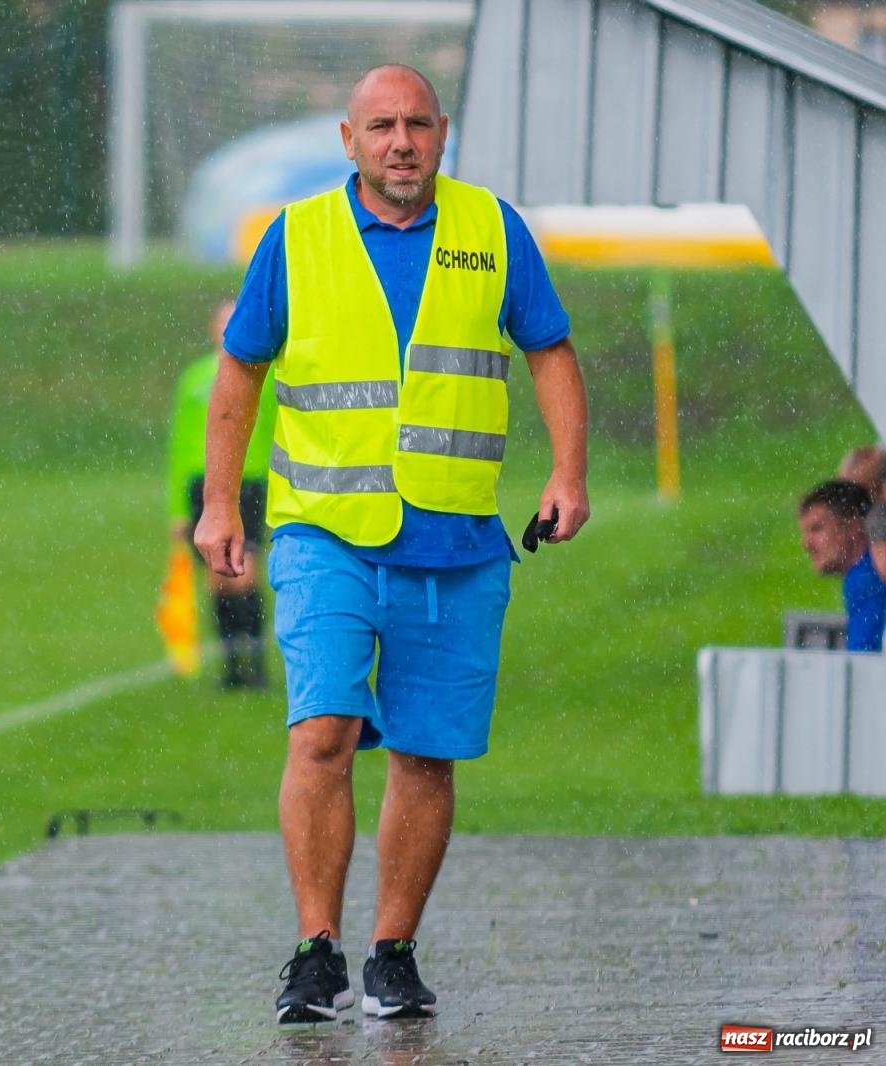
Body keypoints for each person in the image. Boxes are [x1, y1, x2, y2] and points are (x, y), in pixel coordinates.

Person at [193, 64, 589, 1024]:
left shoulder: (494, 231)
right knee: (322, 731)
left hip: (456, 541)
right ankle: (315, 951)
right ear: (349, 140)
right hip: (325, 532)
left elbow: (551, 352)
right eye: (381, 126)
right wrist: (219, 505)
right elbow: (240, 370)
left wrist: (568, 474)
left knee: (423, 754)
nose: (400, 142)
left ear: (443, 133)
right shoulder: (295, 238)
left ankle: (392, 953)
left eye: (416, 124)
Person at [167, 299, 278, 688]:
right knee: (217, 577)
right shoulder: (195, 378)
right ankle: (232, 666)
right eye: (223, 321)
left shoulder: (262, 374)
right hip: (203, 484)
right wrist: (178, 509)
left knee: (245, 572)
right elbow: (180, 445)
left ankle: (257, 662)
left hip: (249, 481)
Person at [797, 480, 885, 652]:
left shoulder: (869, 576)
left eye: (817, 529)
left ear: (854, 525)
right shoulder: (860, 577)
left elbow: (863, 663)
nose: (806, 544)